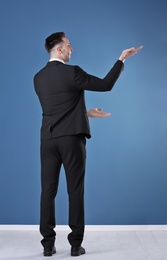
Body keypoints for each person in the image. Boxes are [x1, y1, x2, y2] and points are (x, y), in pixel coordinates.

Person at [33, 32, 142, 257]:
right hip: (71, 139)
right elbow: (105, 84)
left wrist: (86, 113)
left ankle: (47, 245)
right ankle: (75, 245)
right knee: (75, 191)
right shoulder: (73, 72)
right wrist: (121, 59)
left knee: (48, 192)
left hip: (48, 140)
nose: (72, 50)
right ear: (59, 50)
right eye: (69, 46)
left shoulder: (38, 78)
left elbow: (57, 109)